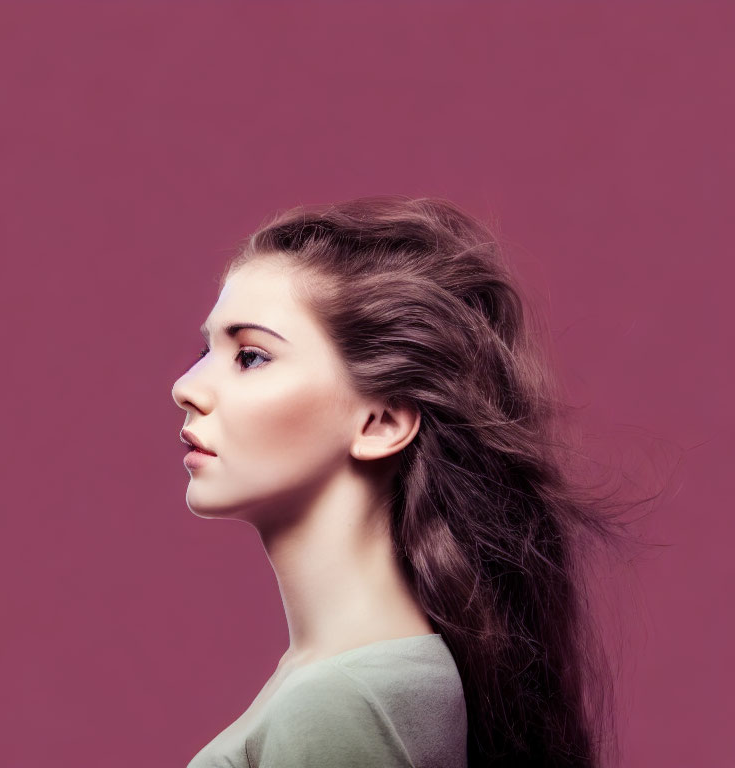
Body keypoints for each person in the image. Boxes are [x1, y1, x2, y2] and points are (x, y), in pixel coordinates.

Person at [171, 195, 629, 767]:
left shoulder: (338, 704)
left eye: (251, 356)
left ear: (381, 422)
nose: (187, 387)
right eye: (204, 349)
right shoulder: (357, 679)